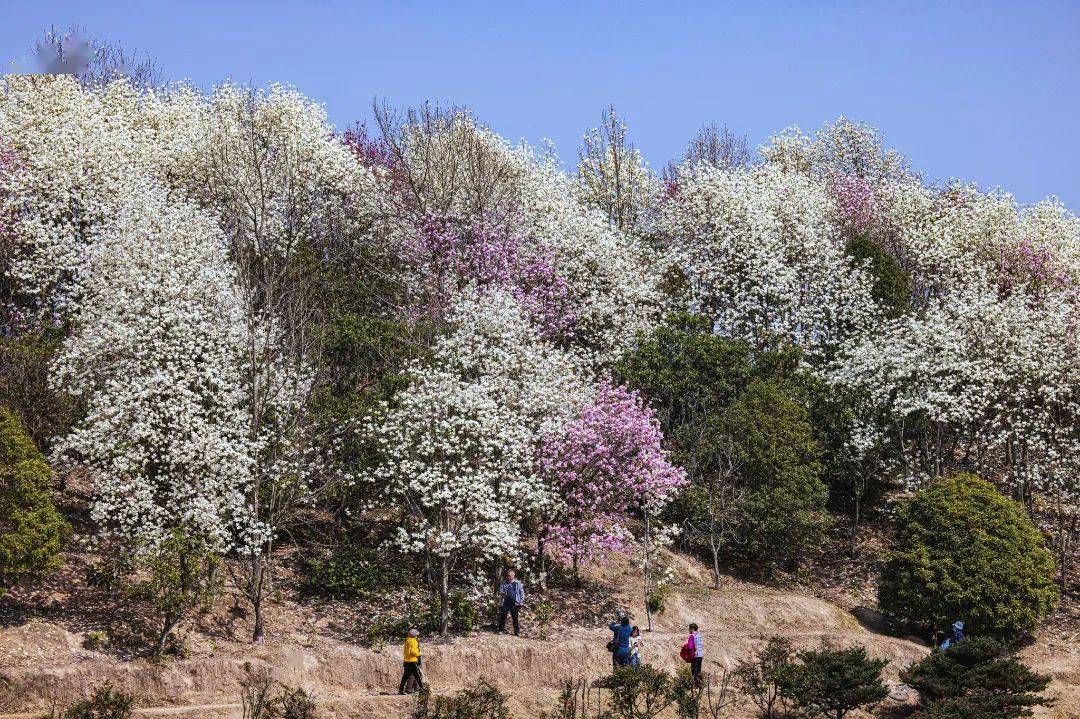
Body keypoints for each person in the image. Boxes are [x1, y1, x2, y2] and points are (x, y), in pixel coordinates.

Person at [497, 569, 525, 636]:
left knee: (515, 618)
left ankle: (517, 632)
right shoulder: (504, 583)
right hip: (505, 602)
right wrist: (502, 593)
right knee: (503, 616)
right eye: (507, 576)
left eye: (509, 576)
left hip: (515, 603)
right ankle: (501, 630)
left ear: (513, 575)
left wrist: (521, 601)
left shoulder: (517, 583)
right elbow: (500, 591)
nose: (508, 577)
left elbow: (521, 592)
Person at [399, 627, 423, 695]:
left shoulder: (407, 641)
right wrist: (419, 654)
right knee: (416, 675)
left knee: (406, 676)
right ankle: (414, 690)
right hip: (413, 661)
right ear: (415, 635)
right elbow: (413, 651)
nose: (417, 636)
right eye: (417, 635)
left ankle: (402, 690)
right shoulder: (414, 641)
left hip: (407, 661)